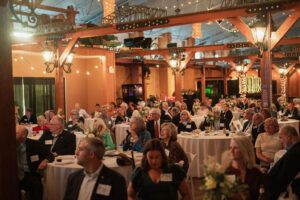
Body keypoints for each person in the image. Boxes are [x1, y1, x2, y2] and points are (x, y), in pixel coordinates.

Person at [16, 125, 54, 200]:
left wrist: (45, 161)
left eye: (16, 133)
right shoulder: (8, 145)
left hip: (30, 174)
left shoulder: (34, 144)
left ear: (23, 135)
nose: (12, 134)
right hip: (14, 175)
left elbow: (50, 155)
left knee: (37, 185)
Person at [268, 126, 300, 199]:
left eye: (281, 137)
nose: (280, 141)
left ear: (289, 136)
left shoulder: (294, 154)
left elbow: (280, 179)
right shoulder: (294, 149)